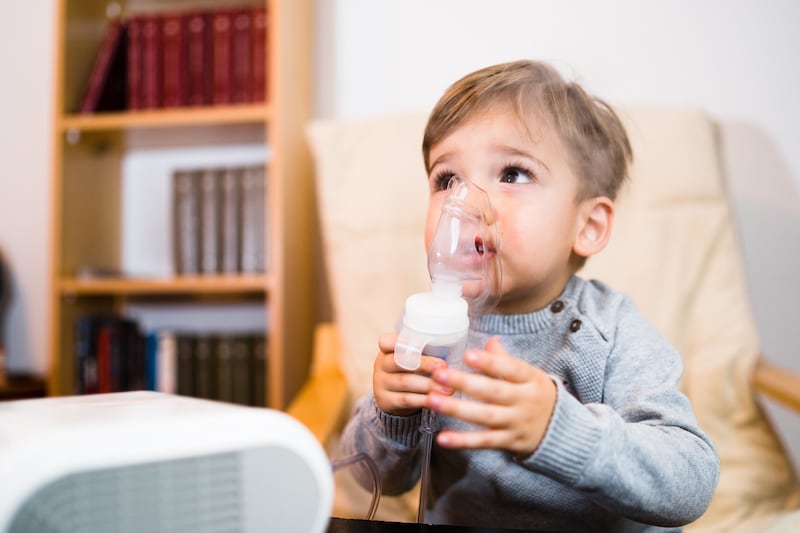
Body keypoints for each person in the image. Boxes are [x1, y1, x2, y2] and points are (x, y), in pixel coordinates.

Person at [338, 60, 719, 532]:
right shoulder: (429, 325)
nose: (467, 203)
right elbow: (368, 475)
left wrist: (560, 430)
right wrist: (390, 412)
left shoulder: (611, 330)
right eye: (446, 179)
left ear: (588, 225)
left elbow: (691, 480)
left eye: (514, 174)